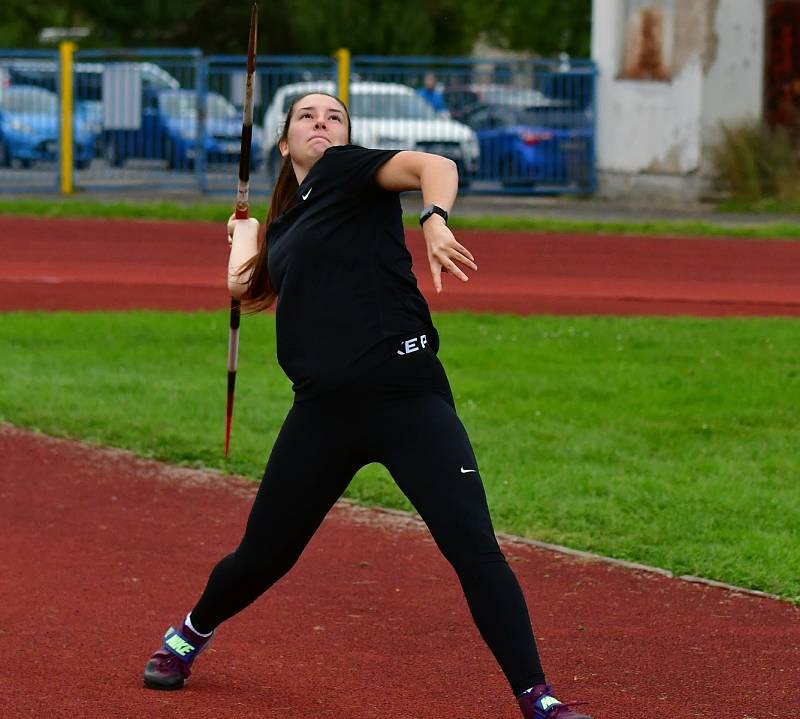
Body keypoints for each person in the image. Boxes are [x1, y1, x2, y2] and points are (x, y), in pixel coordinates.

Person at [142, 92, 591, 719]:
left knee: (472, 546)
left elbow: (436, 165)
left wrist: (433, 217)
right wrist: (244, 237)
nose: (322, 124)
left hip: (407, 396)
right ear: (283, 144)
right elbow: (246, 289)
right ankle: (187, 634)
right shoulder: (290, 224)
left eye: (334, 117)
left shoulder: (350, 170)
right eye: (307, 117)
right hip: (322, 412)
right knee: (263, 556)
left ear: (348, 137)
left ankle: (538, 698)